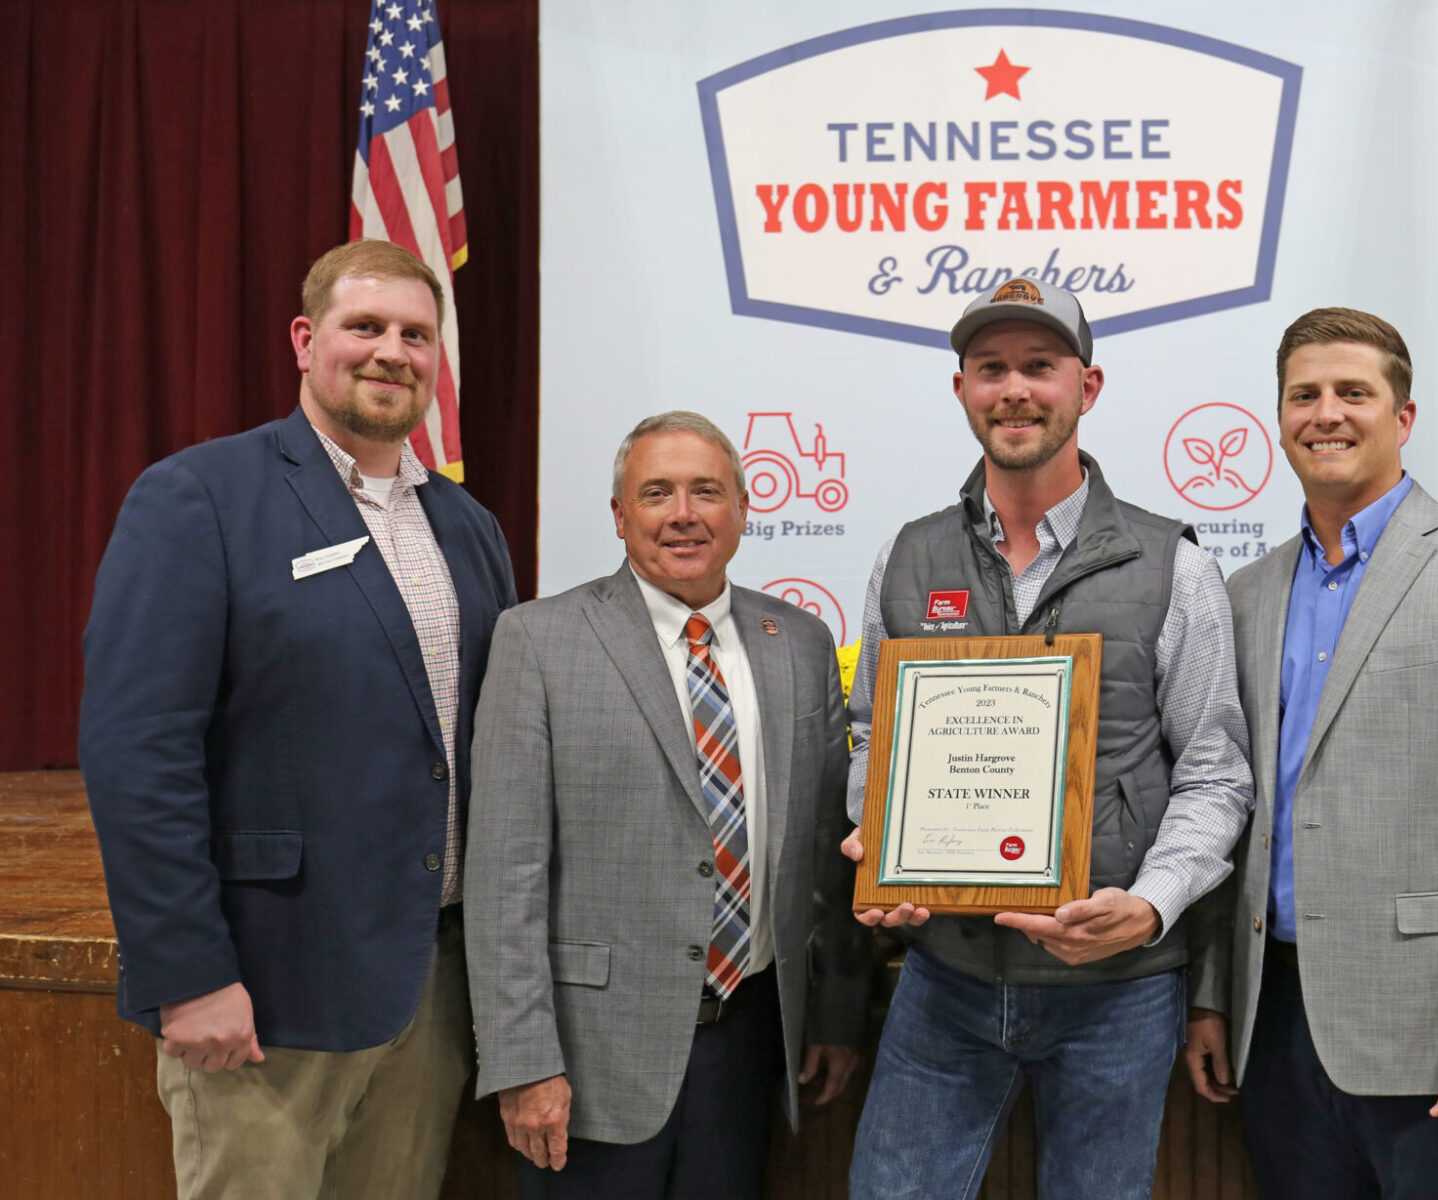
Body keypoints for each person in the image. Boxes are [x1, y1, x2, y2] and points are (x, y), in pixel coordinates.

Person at [78, 239, 517, 1199]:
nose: (390, 352)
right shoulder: (200, 498)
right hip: (264, 992)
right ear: (306, 338)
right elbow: (136, 754)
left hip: (429, 992)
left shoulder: (468, 526)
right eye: (365, 327)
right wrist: (187, 973)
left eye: (415, 333)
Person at [840, 277, 1253, 1200]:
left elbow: (1215, 774)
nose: (1014, 389)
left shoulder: (1173, 566)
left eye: (1040, 366)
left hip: (1118, 988)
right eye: (991, 369)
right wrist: (881, 840)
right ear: (961, 391)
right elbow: (873, 732)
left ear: (1088, 387)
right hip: (944, 976)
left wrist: (1150, 905)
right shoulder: (906, 557)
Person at [1182, 306, 1438, 1200]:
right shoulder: (1245, 592)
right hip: (1275, 1026)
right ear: (1280, 418)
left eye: (1352, 392)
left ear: (1403, 419)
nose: (1326, 412)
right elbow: (1232, 808)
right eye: (1304, 395)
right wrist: (1215, 992)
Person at [464, 411, 869, 1199]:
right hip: (587, 1061)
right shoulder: (537, 642)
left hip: (749, 1045)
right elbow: (504, 874)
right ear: (620, 515)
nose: (683, 513)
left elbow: (826, 850)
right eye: (656, 492)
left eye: (707, 491)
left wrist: (835, 1015)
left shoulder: (803, 643)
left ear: (744, 511)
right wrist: (524, 1061)